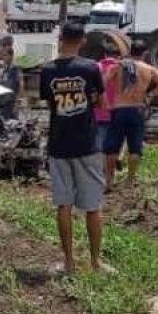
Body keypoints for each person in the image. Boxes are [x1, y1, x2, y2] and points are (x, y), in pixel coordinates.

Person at [39, 23, 107, 274]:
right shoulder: (91, 68)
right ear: (83, 40)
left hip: (59, 145)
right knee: (92, 206)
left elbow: (49, 104)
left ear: (60, 38)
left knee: (63, 205)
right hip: (87, 145)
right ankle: (96, 263)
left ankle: (69, 263)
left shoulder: (47, 71)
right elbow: (102, 102)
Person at [102, 40, 158, 189]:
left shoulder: (118, 66)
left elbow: (103, 81)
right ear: (144, 53)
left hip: (119, 109)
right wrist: (150, 94)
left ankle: (109, 180)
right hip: (137, 109)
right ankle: (130, 180)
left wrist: (107, 101)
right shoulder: (148, 69)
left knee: (112, 147)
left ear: (130, 51)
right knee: (135, 147)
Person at [95, 44, 122, 153]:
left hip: (98, 112)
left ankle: (100, 167)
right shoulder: (122, 68)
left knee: (99, 144)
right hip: (117, 112)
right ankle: (111, 167)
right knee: (114, 145)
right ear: (119, 56)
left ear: (105, 55)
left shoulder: (95, 67)